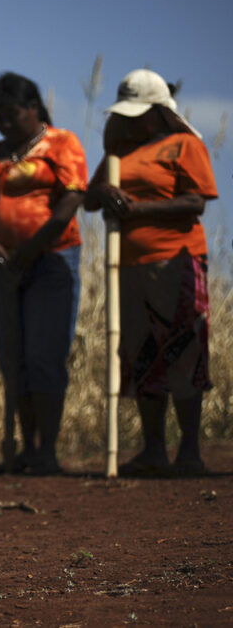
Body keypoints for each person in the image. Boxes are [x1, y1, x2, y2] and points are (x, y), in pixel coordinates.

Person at [84, 69, 217, 477]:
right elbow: (89, 198)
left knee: (183, 347)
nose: (133, 120)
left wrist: (137, 210)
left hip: (176, 261)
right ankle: (154, 448)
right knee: (143, 352)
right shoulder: (120, 153)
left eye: (140, 113)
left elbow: (195, 202)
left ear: (159, 111)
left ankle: (190, 451)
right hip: (128, 265)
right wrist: (105, 191)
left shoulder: (184, 145)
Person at [0, 72, 88, 475]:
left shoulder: (62, 144)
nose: (4, 124)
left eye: (12, 114)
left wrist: (31, 251)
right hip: (3, 268)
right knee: (12, 356)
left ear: (33, 108)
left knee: (44, 355)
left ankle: (46, 449)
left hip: (51, 262)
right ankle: (27, 447)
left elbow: (70, 203)